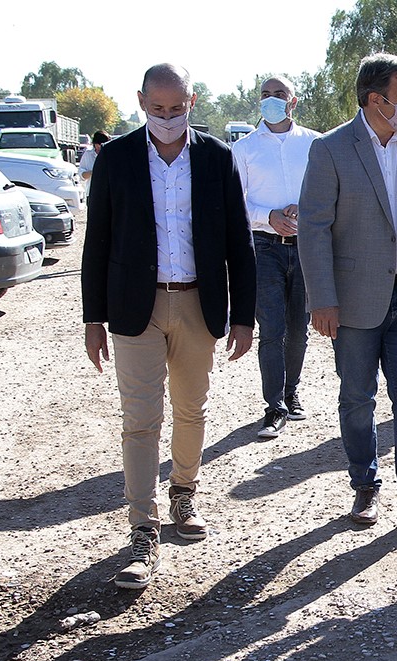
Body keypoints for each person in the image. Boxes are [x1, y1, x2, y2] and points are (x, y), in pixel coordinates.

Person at [81, 64, 255, 590]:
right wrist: (93, 319)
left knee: (191, 408)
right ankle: (143, 527)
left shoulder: (217, 157)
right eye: (157, 109)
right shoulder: (116, 158)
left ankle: (184, 492)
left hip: (198, 303)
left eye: (176, 108)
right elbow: (97, 241)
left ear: (191, 102)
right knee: (140, 419)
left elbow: (239, 241)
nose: (167, 117)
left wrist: (243, 316)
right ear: (141, 101)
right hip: (135, 307)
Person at [299, 53, 397, 528]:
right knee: (357, 397)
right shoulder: (330, 149)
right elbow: (313, 229)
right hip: (353, 300)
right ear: (375, 100)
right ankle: (365, 487)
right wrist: (322, 299)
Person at [232, 76, 319, 439]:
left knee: (298, 327)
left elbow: (326, 191)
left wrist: (305, 209)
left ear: (292, 101)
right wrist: (267, 216)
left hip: (306, 246)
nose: (271, 100)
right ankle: (274, 407)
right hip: (264, 247)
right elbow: (236, 201)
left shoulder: (314, 143)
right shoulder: (244, 148)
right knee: (271, 328)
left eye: (279, 94)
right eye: (265, 95)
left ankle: (291, 391)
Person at [78, 130, 110, 198]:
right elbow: (81, 175)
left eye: (103, 145)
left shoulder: (112, 155)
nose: (100, 147)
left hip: (109, 194)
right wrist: (93, 172)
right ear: (94, 144)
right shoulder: (88, 154)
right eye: (98, 145)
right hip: (92, 193)